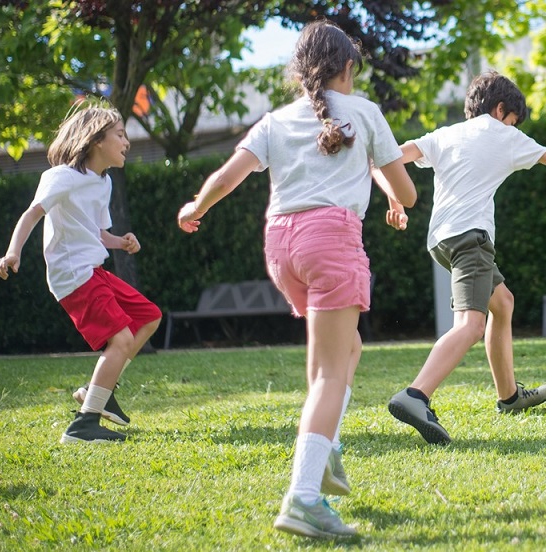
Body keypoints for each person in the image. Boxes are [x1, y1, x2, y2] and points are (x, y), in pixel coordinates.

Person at [176, 21, 416, 539]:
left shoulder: (277, 119)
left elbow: (228, 177)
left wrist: (196, 206)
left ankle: (324, 449)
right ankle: (304, 497)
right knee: (334, 370)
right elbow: (408, 192)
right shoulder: (366, 112)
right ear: (348, 67)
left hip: (282, 247)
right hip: (331, 240)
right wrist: (397, 195)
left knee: (342, 351)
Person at [378, 71, 546, 445]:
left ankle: (509, 396)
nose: (512, 126)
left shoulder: (445, 134)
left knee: (502, 302)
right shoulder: (505, 134)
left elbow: (391, 159)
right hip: (471, 239)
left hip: (441, 240)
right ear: (501, 109)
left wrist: (395, 199)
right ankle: (415, 395)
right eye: (513, 119)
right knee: (471, 325)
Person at [0, 104, 161, 445]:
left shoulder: (104, 182)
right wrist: (13, 252)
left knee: (149, 316)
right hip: (73, 275)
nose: (127, 141)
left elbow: (97, 233)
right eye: (120, 134)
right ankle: (83, 426)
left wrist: (121, 242)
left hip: (93, 269)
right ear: (97, 139)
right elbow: (32, 214)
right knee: (122, 339)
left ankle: (99, 391)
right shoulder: (61, 177)